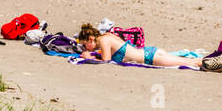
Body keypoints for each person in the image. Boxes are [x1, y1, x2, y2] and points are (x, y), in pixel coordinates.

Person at [76, 24, 206, 69]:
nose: (86, 48)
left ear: (91, 39)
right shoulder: (108, 36)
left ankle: (217, 63)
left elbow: (106, 61)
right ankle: (216, 61)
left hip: (150, 57)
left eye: (84, 44)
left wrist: (88, 57)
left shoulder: (104, 41)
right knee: (190, 62)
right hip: (150, 53)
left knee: (193, 63)